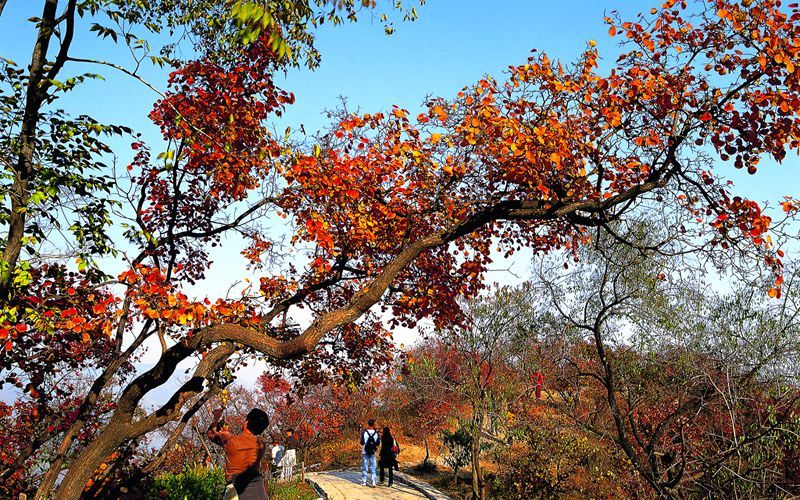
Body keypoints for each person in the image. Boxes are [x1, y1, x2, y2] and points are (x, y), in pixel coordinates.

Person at [207, 407, 270, 500]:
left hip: (236, 491)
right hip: (259, 492)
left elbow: (211, 433)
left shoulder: (229, 440)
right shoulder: (261, 445)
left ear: (246, 423)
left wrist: (216, 417)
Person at [360, 419, 380, 487]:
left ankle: (364, 481)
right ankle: (373, 482)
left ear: (368, 424)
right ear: (373, 424)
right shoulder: (376, 433)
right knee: (373, 467)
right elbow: (378, 443)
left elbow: (362, 442)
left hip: (365, 452)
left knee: (365, 467)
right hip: (373, 452)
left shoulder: (364, 432)